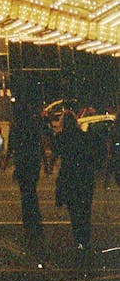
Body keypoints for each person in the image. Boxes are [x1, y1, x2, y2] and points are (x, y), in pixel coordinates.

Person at [53, 110, 96, 258]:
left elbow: (56, 154)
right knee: (85, 210)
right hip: (84, 177)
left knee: (74, 212)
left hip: (69, 177)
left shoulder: (61, 137)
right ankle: (85, 241)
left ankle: (79, 241)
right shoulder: (84, 137)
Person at [2, 101, 44, 251]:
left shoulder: (16, 127)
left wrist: (6, 162)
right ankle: (36, 219)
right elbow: (40, 143)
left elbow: (11, 146)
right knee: (31, 190)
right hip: (33, 161)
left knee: (25, 192)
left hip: (21, 162)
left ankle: (29, 220)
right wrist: (45, 162)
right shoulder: (33, 125)